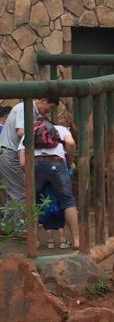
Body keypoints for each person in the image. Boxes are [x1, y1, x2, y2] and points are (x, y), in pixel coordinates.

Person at [18, 119, 79, 250]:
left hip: (36, 164)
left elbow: (23, 163)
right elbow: (70, 143)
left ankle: (33, 241)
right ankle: (76, 240)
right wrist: (69, 161)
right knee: (68, 200)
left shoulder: (29, 132)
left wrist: (31, 173)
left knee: (32, 202)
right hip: (56, 163)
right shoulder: (61, 129)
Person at [0, 98, 58, 233]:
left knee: (13, 191)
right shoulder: (24, 108)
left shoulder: (32, 111)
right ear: (43, 100)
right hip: (10, 153)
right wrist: (41, 136)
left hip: (10, 153)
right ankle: (20, 228)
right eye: (48, 108)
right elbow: (20, 131)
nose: (47, 112)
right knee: (21, 190)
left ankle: (7, 225)